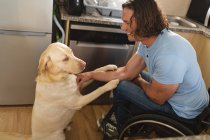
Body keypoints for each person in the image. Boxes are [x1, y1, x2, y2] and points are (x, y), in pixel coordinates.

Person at [77, 0, 209, 137]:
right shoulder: (149, 40)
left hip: (183, 113)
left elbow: (157, 98)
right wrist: (91, 75)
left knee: (121, 86)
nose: (122, 27)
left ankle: (122, 129)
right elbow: (126, 72)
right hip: (177, 98)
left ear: (144, 22)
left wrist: (139, 81)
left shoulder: (169, 55)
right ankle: (125, 117)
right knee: (126, 78)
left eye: (127, 22)